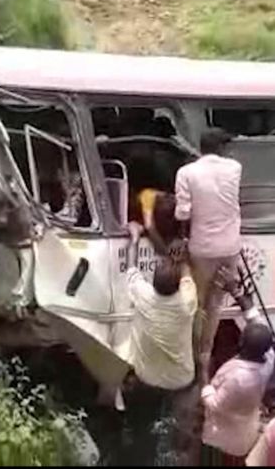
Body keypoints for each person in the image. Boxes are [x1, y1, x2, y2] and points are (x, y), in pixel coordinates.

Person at [120, 222, 198, 465]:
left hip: (148, 376)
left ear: (152, 282)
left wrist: (134, 237)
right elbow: (187, 275)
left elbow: (131, 266)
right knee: (177, 425)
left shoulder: (142, 294)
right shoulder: (186, 303)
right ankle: (175, 447)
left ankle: (139, 447)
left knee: (142, 420)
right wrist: (181, 257)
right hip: (180, 379)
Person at [175, 128, 242, 380]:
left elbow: (183, 213)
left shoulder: (186, 172)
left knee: (197, 305)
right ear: (222, 148)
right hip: (230, 247)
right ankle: (205, 357)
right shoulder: (235, 168)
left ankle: (194, 362)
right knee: (214, 306)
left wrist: (183, 236)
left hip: (202, 247)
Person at [202, 267, 274, 462]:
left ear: (241, 343)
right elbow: (253, 317)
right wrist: (236, 291)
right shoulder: (269, 355)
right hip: (247, 419)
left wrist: (204, 377)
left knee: (219, 459)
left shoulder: (240, 380)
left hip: (227, 434)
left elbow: (215, 404)